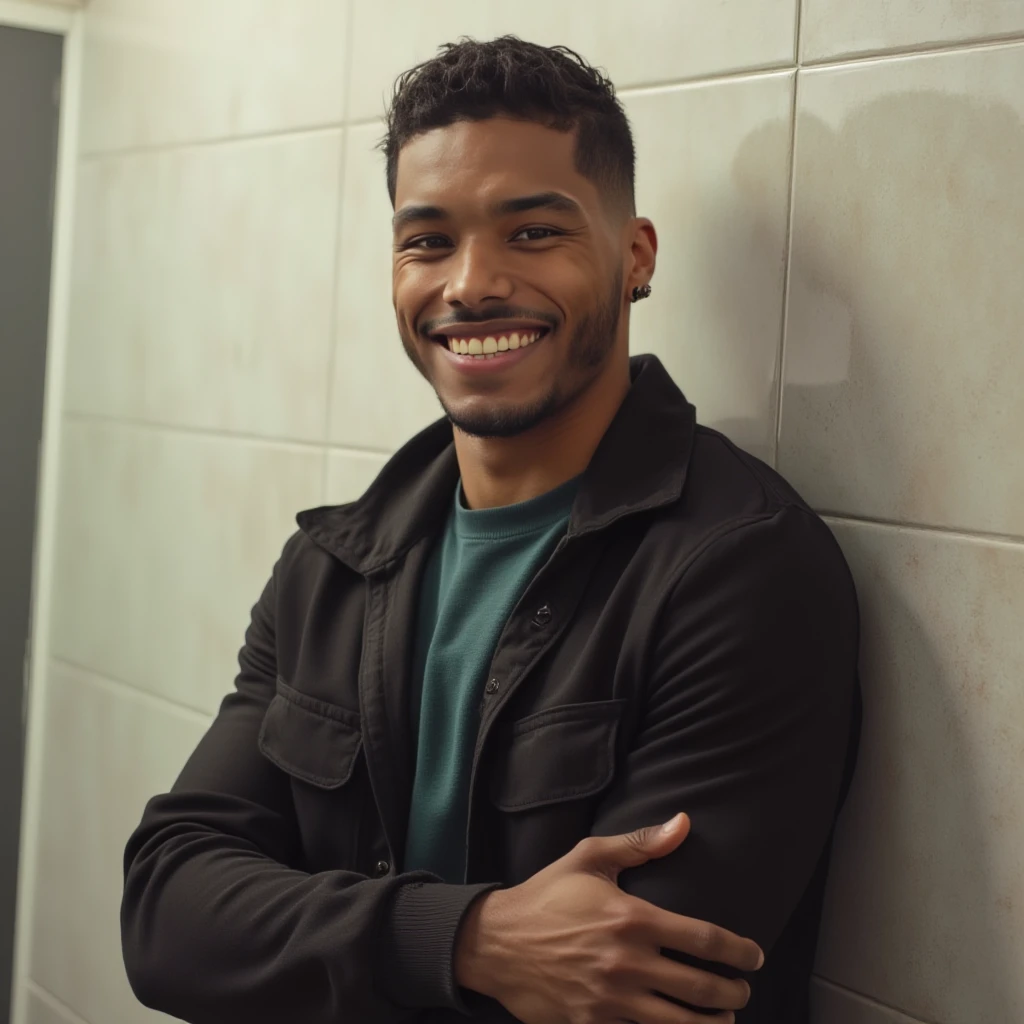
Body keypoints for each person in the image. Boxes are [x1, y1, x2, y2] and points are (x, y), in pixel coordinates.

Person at [121, 36, 860, 1024]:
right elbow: (166, 909)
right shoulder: (331, 566)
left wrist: (306, 949)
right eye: (427, 240)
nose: (468, 283)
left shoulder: (737, 571)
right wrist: (471, 941)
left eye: (531, 233)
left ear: (633, 254)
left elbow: (626, 995)